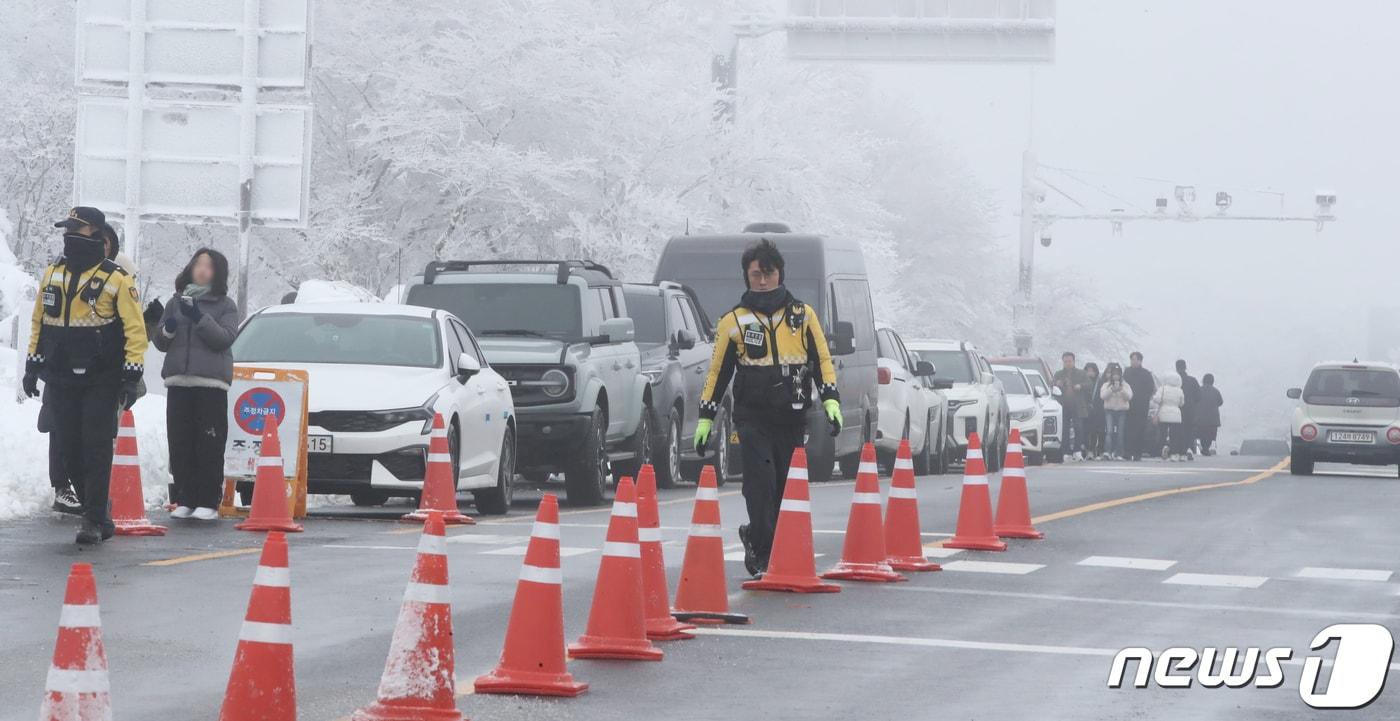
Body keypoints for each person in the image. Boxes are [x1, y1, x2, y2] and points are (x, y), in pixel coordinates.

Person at [695, 239, 841, 577]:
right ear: (747, 277)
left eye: (768, 273)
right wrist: (706, 418)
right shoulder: (733, 321)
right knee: (759, 483)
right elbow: (717, 372)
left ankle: (767, 543)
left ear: (780, 274)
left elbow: (821, 360)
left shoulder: (802, 316)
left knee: (782, 488)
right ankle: (761, 550)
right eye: (756, 274)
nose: (763, 280)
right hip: (752, 417)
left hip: (790, 416)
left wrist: (831, 399)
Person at [23, 207, 149, 544]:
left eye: (77, 230)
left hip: (100, 378)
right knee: (67, 447)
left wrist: (131, 374)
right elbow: (39, 321)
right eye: (68, 230)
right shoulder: (53, 273)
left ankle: (92, 519)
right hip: (61, 375)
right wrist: (32, 366)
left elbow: (135, 331)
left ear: (97, 234)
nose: (70, 236)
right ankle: (99, 511)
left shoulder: (116, 278)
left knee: (95, 447)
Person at [153, 249, 239, 521]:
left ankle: (208, 500)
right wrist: (166, 327)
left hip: (210, 384)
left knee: (208, 442)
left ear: (218, 273)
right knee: (180, 442)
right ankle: (185, 498)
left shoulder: (225, 305)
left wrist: (199, 317)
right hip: (179, 381)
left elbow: (224, 338)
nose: (202, 270)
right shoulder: (175, 301)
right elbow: (161, 343)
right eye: (198, 264)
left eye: (209, 266)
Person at [1052, 352, 1088, 460]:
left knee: (1078, 428)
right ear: (1063, 362)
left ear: (1074, 361)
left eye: (1070, 361)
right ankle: (1066, 452)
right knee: (1064, 429)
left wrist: (1080, 386)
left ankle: (1077, 451)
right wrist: (1056, 384)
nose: (1068, 363)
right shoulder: (1058, 373)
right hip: (1063, 405)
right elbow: (1052, 386)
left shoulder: (1081, 373)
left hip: (1077, 405)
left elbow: (1089, 384)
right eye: (1065, 361)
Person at [1122, 351, 1156, 461]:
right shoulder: (1126, 372)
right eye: (1131, 359)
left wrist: (1144, 397)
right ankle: (1127, 451)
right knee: (1128, 429)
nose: (1133, 362)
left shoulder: (1146, 373)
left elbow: (1151, 389)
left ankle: (1137, 453)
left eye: (1135, 359)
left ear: (1140, 361)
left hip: (1142, 405)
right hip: (1128, 404)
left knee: (1140, 429)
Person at [1150, 373, 1187, 461]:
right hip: (1176, 415)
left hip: (1164, 414)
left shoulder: (1162, 389)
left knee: (1162, 434)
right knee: (1174, 435)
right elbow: (1182, 403)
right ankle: (1174, 453)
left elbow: (1156, 399)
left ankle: (1161, 450)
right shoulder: (1179, 390)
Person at [1100, 363, 1132, 460]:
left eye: (1118, 374)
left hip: (1122, 411)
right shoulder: (1106, 385)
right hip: (1109, 410)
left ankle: (1119, 453)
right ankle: (1107, 452)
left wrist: (1121, 390)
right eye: (1114, 374)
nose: (1116, 376)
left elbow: (1129, 397)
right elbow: (1102, 396)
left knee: (1120, 432)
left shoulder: (1126, 385)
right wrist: (1111, 390)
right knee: (1109, 431)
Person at [1175, 359, 1200, 459]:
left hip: (1177, 409)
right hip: (1190, 409)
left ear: (1176, 368)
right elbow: (1199, 396)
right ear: (1185, 367)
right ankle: (1188, 448)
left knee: (1177, 430)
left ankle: (1179, 450)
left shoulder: (1175, 381)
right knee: (1189, 430)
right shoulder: (1192, 380)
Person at [1196, 373, 1224, 455]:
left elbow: (1195, 400)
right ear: (1212, 381)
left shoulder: (1199, 390)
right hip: (1212, 419)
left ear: (1203, 381)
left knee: (1201, 434)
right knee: (1209, 435)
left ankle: (1203, 448)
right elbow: (1220, 402)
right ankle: (1206, 449)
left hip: (1200, 418)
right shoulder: (1216, 391)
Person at [1083, 362, 1104, 459]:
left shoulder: (1100, 382)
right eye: (1088, 371)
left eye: (1092, 371)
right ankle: (1087, 450)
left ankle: (1093, 450)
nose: (1090, 373)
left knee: (1095, 431)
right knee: (1085, 431)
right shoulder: (1083, 382)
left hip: (1097, 410)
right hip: (1085, 410)